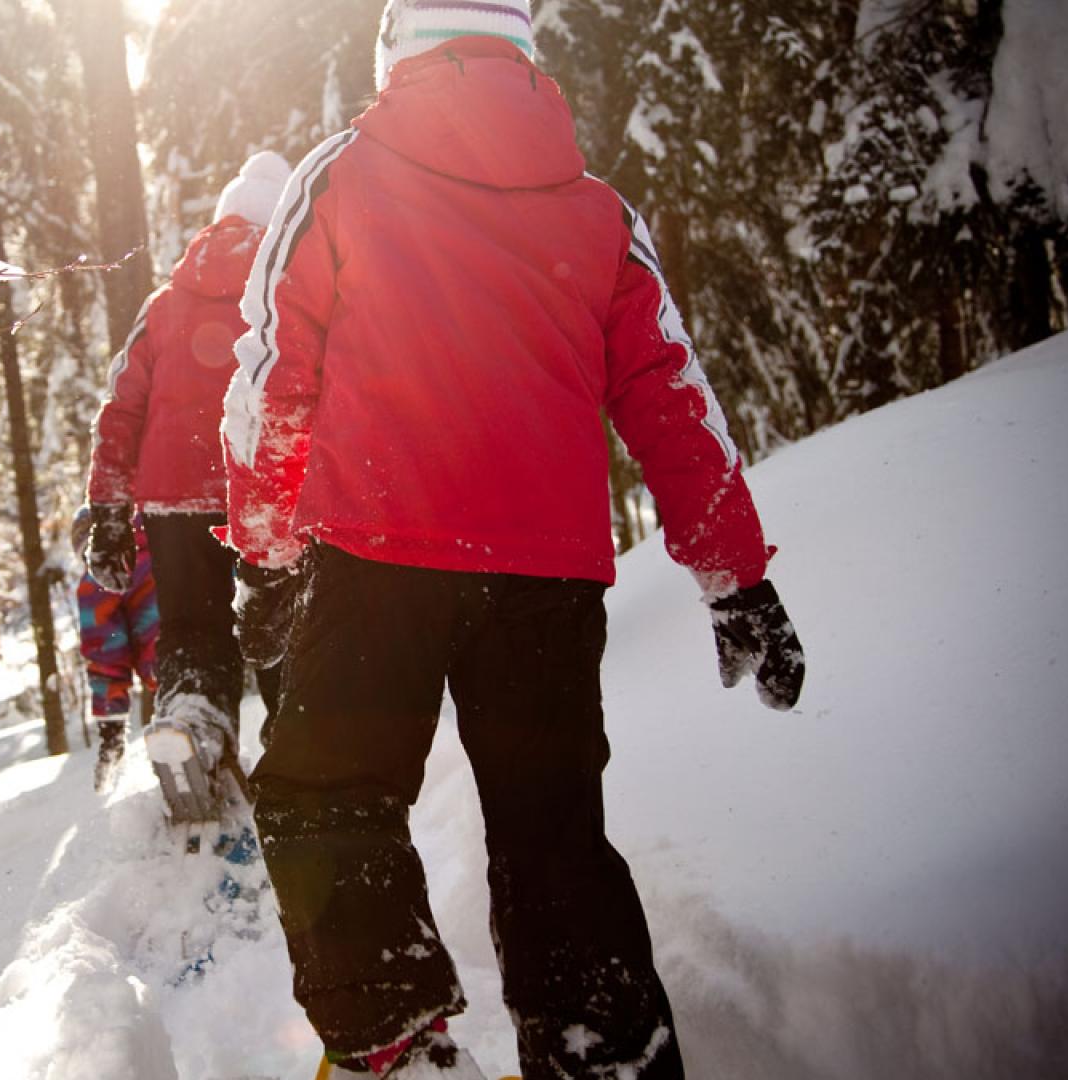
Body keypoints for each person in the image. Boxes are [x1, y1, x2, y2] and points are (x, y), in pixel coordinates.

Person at [220, 3, 807, 1078]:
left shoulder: (340, 176)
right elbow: (671, 394)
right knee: (552, 832)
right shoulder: (599, 212)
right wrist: (736, 576)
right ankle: (605, 1054)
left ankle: (390, 1044)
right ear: (524, 50)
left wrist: (264, 551)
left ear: (400, 46)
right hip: (546, 577)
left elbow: (274, 377)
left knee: (328, 791)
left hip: (377, 555)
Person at [85, 151, 295, 822]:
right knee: (285, 627)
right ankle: (297, 749)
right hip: (266, 490)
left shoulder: (163, 304)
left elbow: (120, 409)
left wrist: (108, 512)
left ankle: (194, 724)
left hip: (173, 500)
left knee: (191, 629)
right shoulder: (293, 290)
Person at [71, 505, 161, 791]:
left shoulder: (101, 579)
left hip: (166, 666)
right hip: (220, 646)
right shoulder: (166, 538)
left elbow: (105, 652)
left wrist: (111, 729)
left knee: (185, 741)